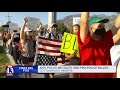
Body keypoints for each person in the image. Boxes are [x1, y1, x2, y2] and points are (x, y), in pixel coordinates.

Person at [78, 12, 120, 78]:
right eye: (100, 26)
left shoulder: (106, 38)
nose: (103, 28)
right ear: (91, 29)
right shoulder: (85, 40)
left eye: (103, 26)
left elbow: (116, 26)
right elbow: (84, 22)